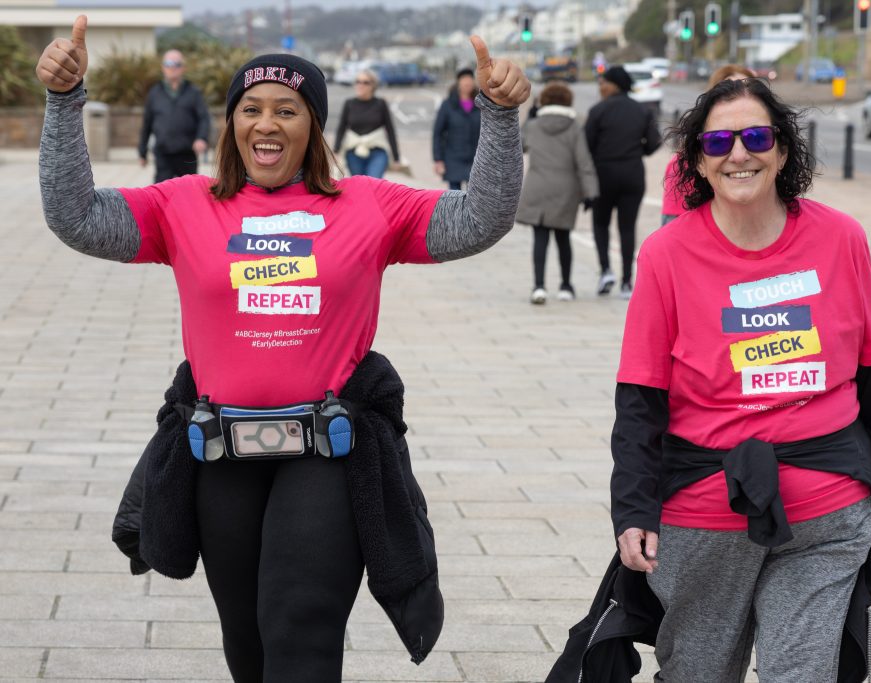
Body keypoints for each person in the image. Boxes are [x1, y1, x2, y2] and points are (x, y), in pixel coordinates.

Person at [36, 15, 530, 680]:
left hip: (327, 454)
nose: (266, 124)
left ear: (314, 127)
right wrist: (64, 101)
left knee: (300, 628)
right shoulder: (184, 204)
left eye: (287, 110)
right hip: (222, 454)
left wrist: (499, 116)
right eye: (251, 109)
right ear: (232, 124)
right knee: (247, 643)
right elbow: (76, 217)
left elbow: (480, 219)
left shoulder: (368, 204)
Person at [610, 77, 871, 681]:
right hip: (706, 516)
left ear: (784, 150)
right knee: (698, 673)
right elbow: (641, 398)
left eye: (757, 137)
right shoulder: (666, 254)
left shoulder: (841, 238)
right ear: (698, 162)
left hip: (828, 513)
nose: (739, 153)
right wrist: (633, 509)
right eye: (718, 142)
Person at [515, 81, 598, 304]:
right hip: (566, 190)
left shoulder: (534, 126)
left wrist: (529, 118)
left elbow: (519, 145)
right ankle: (566, 286)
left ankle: (539, 287)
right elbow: (583, 162)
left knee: (540, 238)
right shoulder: (574, 127)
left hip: (537, 187)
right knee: (563, 239)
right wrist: (590, 191)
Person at [585, 65, 661, 300]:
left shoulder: (598, 110)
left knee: (600, 223)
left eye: (603, 83)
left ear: (614, 84)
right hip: (632, 174)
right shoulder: (642, 110)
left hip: (603, 175)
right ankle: (627, 281)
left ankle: (606, 271)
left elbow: (586, 145)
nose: (600, 87)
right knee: (627, 227)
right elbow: (654, 143)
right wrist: (637, 151)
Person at [661, 64, 756, 226]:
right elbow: (672, 229)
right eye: (729, 91)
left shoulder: (770, 151)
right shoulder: (684, 164)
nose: (739, 156)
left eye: (749, 89)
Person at [138, 48, 211, 182]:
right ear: (163, 67)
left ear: (183, 68)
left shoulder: (193, 92)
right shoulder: (155, 93)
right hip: (163, 154)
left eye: (177, 64)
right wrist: (142, 152)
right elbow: (147, 124)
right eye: (168, 64)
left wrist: (201, 138)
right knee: (161, 191)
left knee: (189, 190)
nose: (172, 68)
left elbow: (204, 118)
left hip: (187, 154)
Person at [332, 68, 400, 178]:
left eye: (365, 82)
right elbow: (341, 128)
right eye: (358, 81)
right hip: (354, 153)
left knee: (373, 181)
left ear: (373, 85)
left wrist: (396, 157)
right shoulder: (349, 103)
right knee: (361, 185)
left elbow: (390, 130)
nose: (360, 85)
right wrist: (336, 150)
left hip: (378, 152)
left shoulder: (381, 103)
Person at [433, 67, 481, 190]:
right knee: (455, 197)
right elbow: (438, 133)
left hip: (476, 159)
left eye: (470, 79)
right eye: (464, 79)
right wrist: (438, 159)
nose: (467, 82)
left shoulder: (480, 104)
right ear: (458, 83)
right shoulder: (447, 105)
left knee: (475, 197)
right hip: (453, 159)